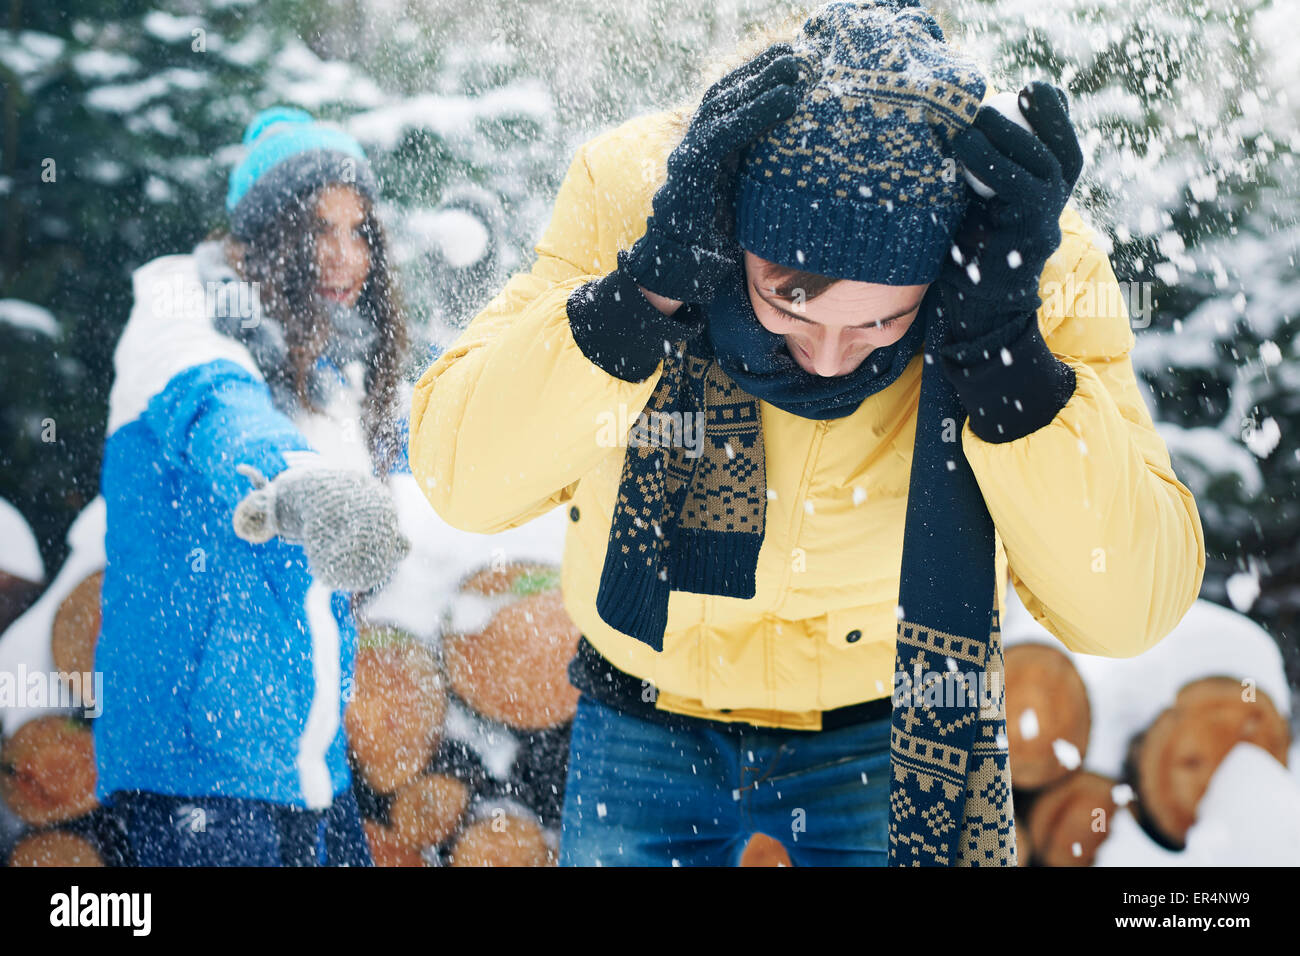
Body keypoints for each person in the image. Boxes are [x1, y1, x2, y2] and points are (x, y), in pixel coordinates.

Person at [408, 0, 1206, 867]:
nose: (829, 360)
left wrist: (1007, 360)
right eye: (792, 300)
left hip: (889, 737)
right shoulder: (642, 194)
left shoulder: (1029, 265)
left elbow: (1126, 608)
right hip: (643, 716)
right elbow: (463, 477)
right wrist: (645, 293)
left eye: (880, 322)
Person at [94, 106, 411, 866]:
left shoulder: (331, 370)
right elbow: (221, 412)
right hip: (194, 777)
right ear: (263, 236)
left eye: (359, 230)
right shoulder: (177, 312)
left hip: (309, 773)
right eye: (320, 230)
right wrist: (301, 479)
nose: (346, 256)